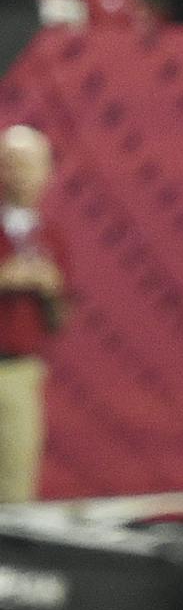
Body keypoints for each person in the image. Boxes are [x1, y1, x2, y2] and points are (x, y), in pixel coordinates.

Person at [0, 128, 67, 505]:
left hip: (18, 371)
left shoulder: (50, 238)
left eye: (27, 165)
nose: (18, 175)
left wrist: (51, 289)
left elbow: (59, 320)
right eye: (10, 164)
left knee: (13, 488)